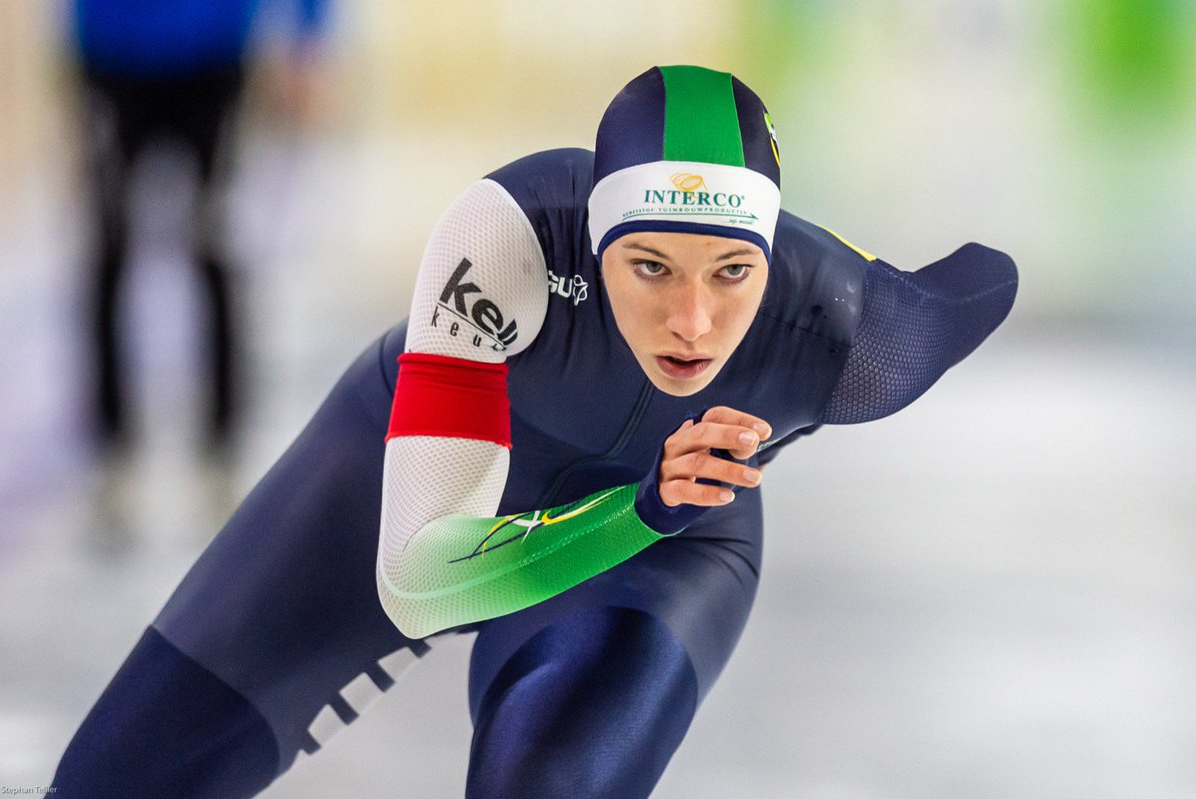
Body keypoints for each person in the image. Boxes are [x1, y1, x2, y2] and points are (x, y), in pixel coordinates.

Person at [52, 65, 1018, 797]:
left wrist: (653, 518)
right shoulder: (509, 236)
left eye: (731, 271)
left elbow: (975, 283)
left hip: (669, 539)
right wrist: (641, 505)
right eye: (649, 266)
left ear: (772, 259)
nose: (692, 321)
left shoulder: (860, 340)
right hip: (425, 481)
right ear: (592, 245)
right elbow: (422, 576)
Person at [73, 0, 329, 455]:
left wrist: (308, 34)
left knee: (217, 242)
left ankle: (223, 436)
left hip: (214, 54)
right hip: (110, 54)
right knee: (110, 248)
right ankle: (110, 444)